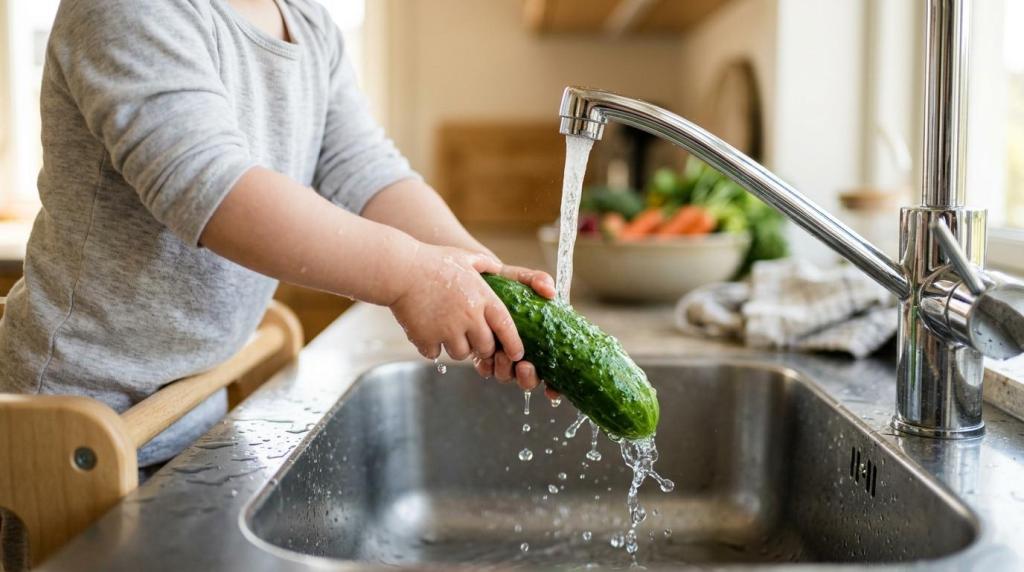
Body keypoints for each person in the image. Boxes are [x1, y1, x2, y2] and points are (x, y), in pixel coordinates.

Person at [0, 0, 557, 477]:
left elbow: (364, 172)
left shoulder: (308, 21)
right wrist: (411, 274)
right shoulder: (129, 8)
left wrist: (477, 280)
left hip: (191, 401)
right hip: (70, 422)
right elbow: (211, 190)